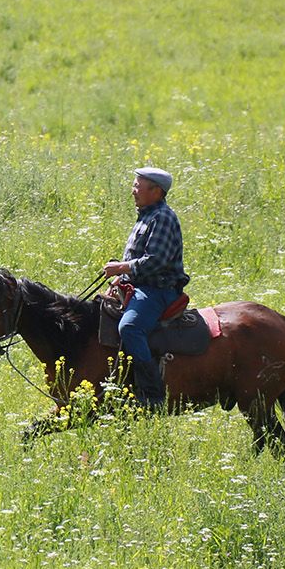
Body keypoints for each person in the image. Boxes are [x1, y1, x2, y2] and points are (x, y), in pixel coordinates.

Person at [101, 166, 188, 410]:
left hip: (158, 290)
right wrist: (120, 279)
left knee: (130, 327)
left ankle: (152, 394)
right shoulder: (147, 215)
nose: (133, 191)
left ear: (156, 191)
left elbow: (156, 261)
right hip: (141, 286)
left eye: (138, 186)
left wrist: (122, 268)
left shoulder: (162, 217)